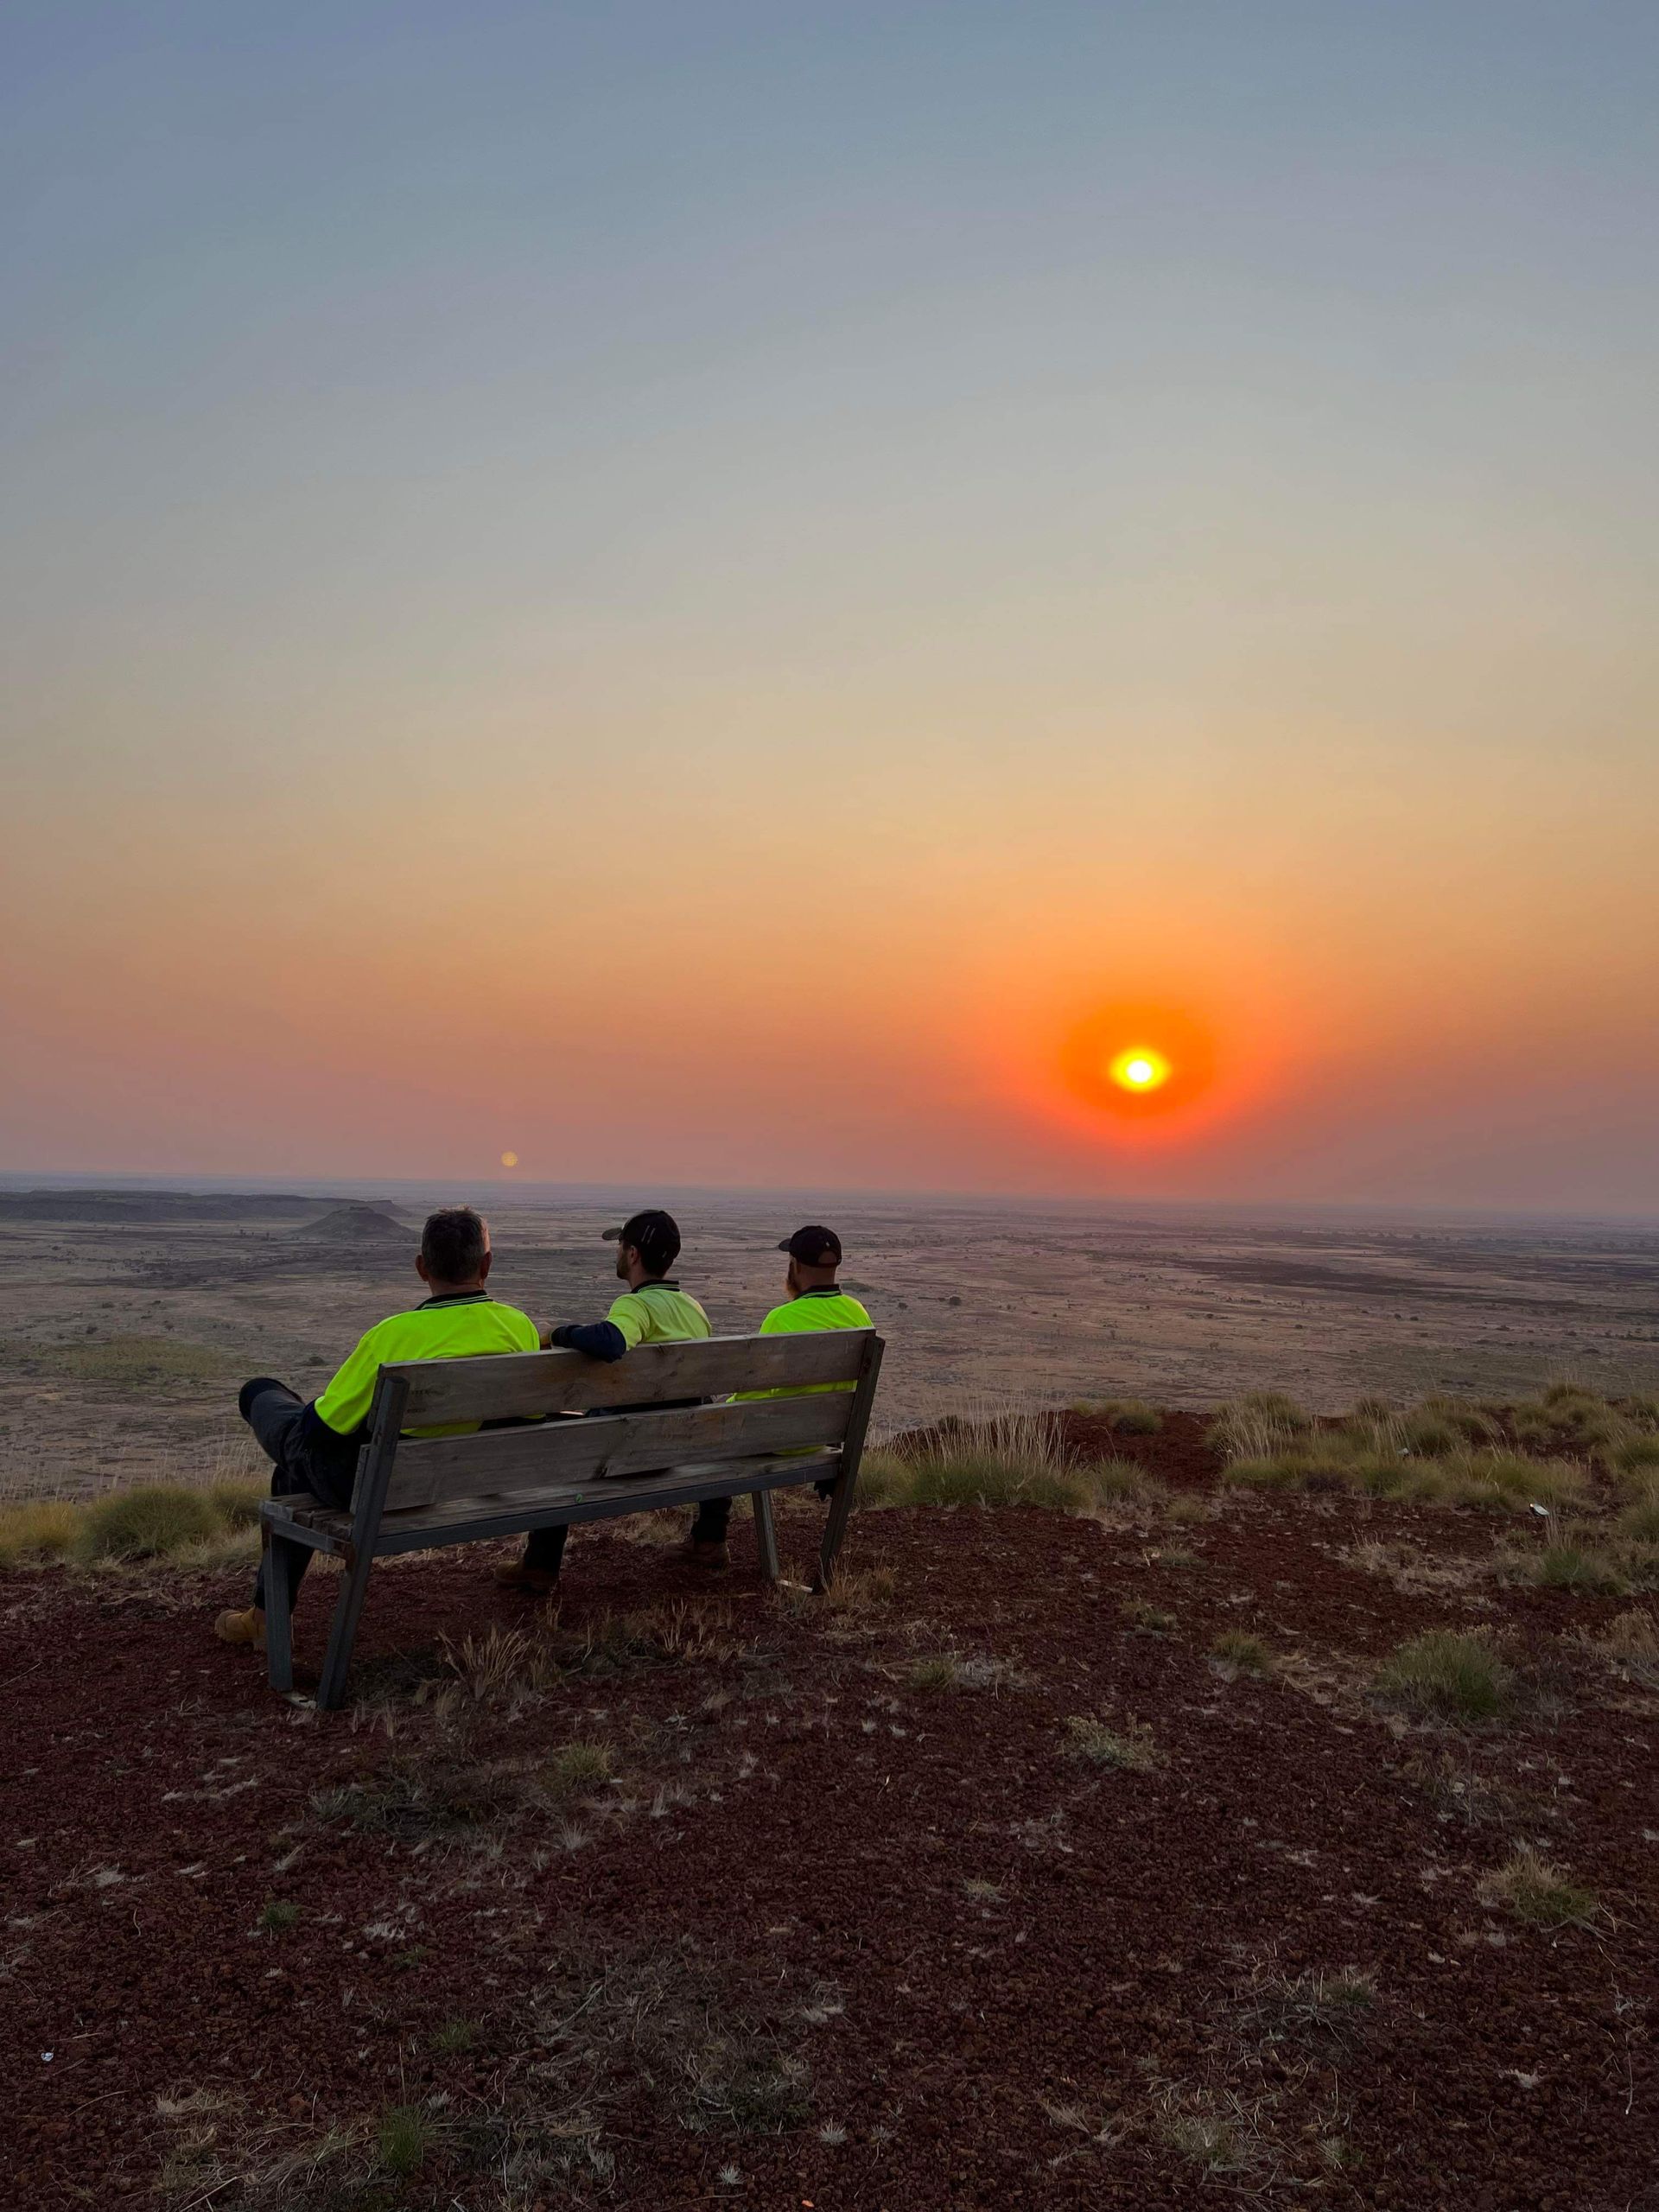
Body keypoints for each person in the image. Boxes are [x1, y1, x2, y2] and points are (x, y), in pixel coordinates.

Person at [215, 1206, 538, 1652]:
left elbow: (319, 1430)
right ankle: (263, 1615)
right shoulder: (518, 1326)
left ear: (421, 1267)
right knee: (292, 1474)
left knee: (264, 1397)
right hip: (461, 1479)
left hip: (380, 1489)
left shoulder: (394, 1335)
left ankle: (266, 1618)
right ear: (487, 1265)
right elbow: (536, 1418)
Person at [496, 1208, 714, 1592]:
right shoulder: (694, 1309)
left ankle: (540, 1565)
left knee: (556, 1434)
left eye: (620, 1246)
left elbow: (612, 1342)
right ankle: (711, 1538)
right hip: (679, 1449)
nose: (616, 1254)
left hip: (625, 1453)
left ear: (632, 1255)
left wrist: (558, 1333)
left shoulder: (636, 1305)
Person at [755, 1225, 873, 1495]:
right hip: (828, 1437)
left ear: (794, 1267)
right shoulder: (858, 1314)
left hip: (780, 1440)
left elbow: (755, 1394)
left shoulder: (780, 1319)